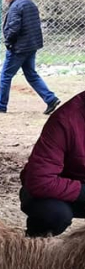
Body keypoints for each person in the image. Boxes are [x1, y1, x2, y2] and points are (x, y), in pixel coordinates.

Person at [0, 0, 60, 115]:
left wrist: (9, 42)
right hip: (31, 45)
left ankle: (1, 105)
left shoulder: (16, 6)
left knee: (5, 75)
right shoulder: (29, 3)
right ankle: (50, 99)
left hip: (19, 48)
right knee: (31, 74)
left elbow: (14, 28)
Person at [19, 91, 85, 237]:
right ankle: (34, 249)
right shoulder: (66, 119)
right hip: (52, 191)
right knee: (54, 215)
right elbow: (40, 181)